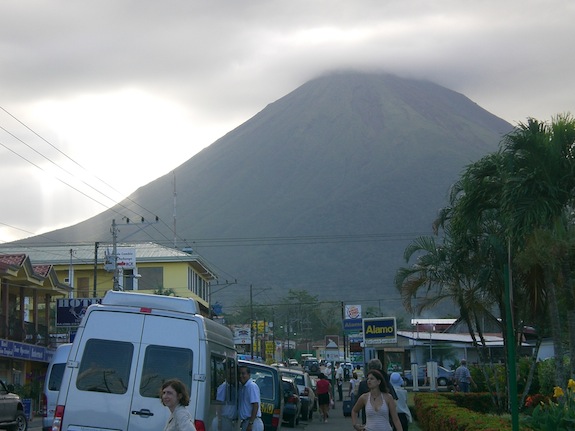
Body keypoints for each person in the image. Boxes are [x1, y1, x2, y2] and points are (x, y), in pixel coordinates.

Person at [356, 359, 398, 424]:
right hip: (385, 421)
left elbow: (357, 404)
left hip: (368, 421)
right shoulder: (386, 383)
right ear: (380, 368)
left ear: (369, 368)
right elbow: (394, 402)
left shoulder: (363, 384)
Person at [238, 365, 264, 431]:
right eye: (239, 373)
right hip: (246, 422)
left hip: (253, 423)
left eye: (243, 373)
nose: (241, 376)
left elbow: (255, 405)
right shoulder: (243, 387)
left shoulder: (251, 386)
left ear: (249, 375)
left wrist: (250, 424)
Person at [215, 367, 237, 431]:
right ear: (226, 375)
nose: (232, 376)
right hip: (223, 420)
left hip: (230, 421)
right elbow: (218, 404)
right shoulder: (223, 387)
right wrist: (219, 421)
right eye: (230, 374)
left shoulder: (233, 387)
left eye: (233, 374)